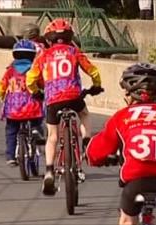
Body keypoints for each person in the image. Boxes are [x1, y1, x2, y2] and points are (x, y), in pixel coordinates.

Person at [86, 63, 156, 225]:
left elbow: (96, 151)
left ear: (129, 93)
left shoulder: (121, 117)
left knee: (126, 219)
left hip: (135, 180)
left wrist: (94, 159)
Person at [26, 18, 103, 195]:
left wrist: (35, 92)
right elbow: (93, 71)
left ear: (49, 39)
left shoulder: (43, 55)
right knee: (83, 113)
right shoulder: (74, 52)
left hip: (53, 98)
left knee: (52, 135)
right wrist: (96, 86)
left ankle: (49, 172)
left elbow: (31, 78)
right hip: (74, 95)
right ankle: (86, 141)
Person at [0, 40, 44, 166]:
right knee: (37, 118)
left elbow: (2, 86)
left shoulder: (10, 71)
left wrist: (1, 96)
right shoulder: (34, 70)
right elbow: (41, 83)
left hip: (13, 108)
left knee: (11, 131)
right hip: (31, 107)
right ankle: (36, 130)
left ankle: (10, 156)